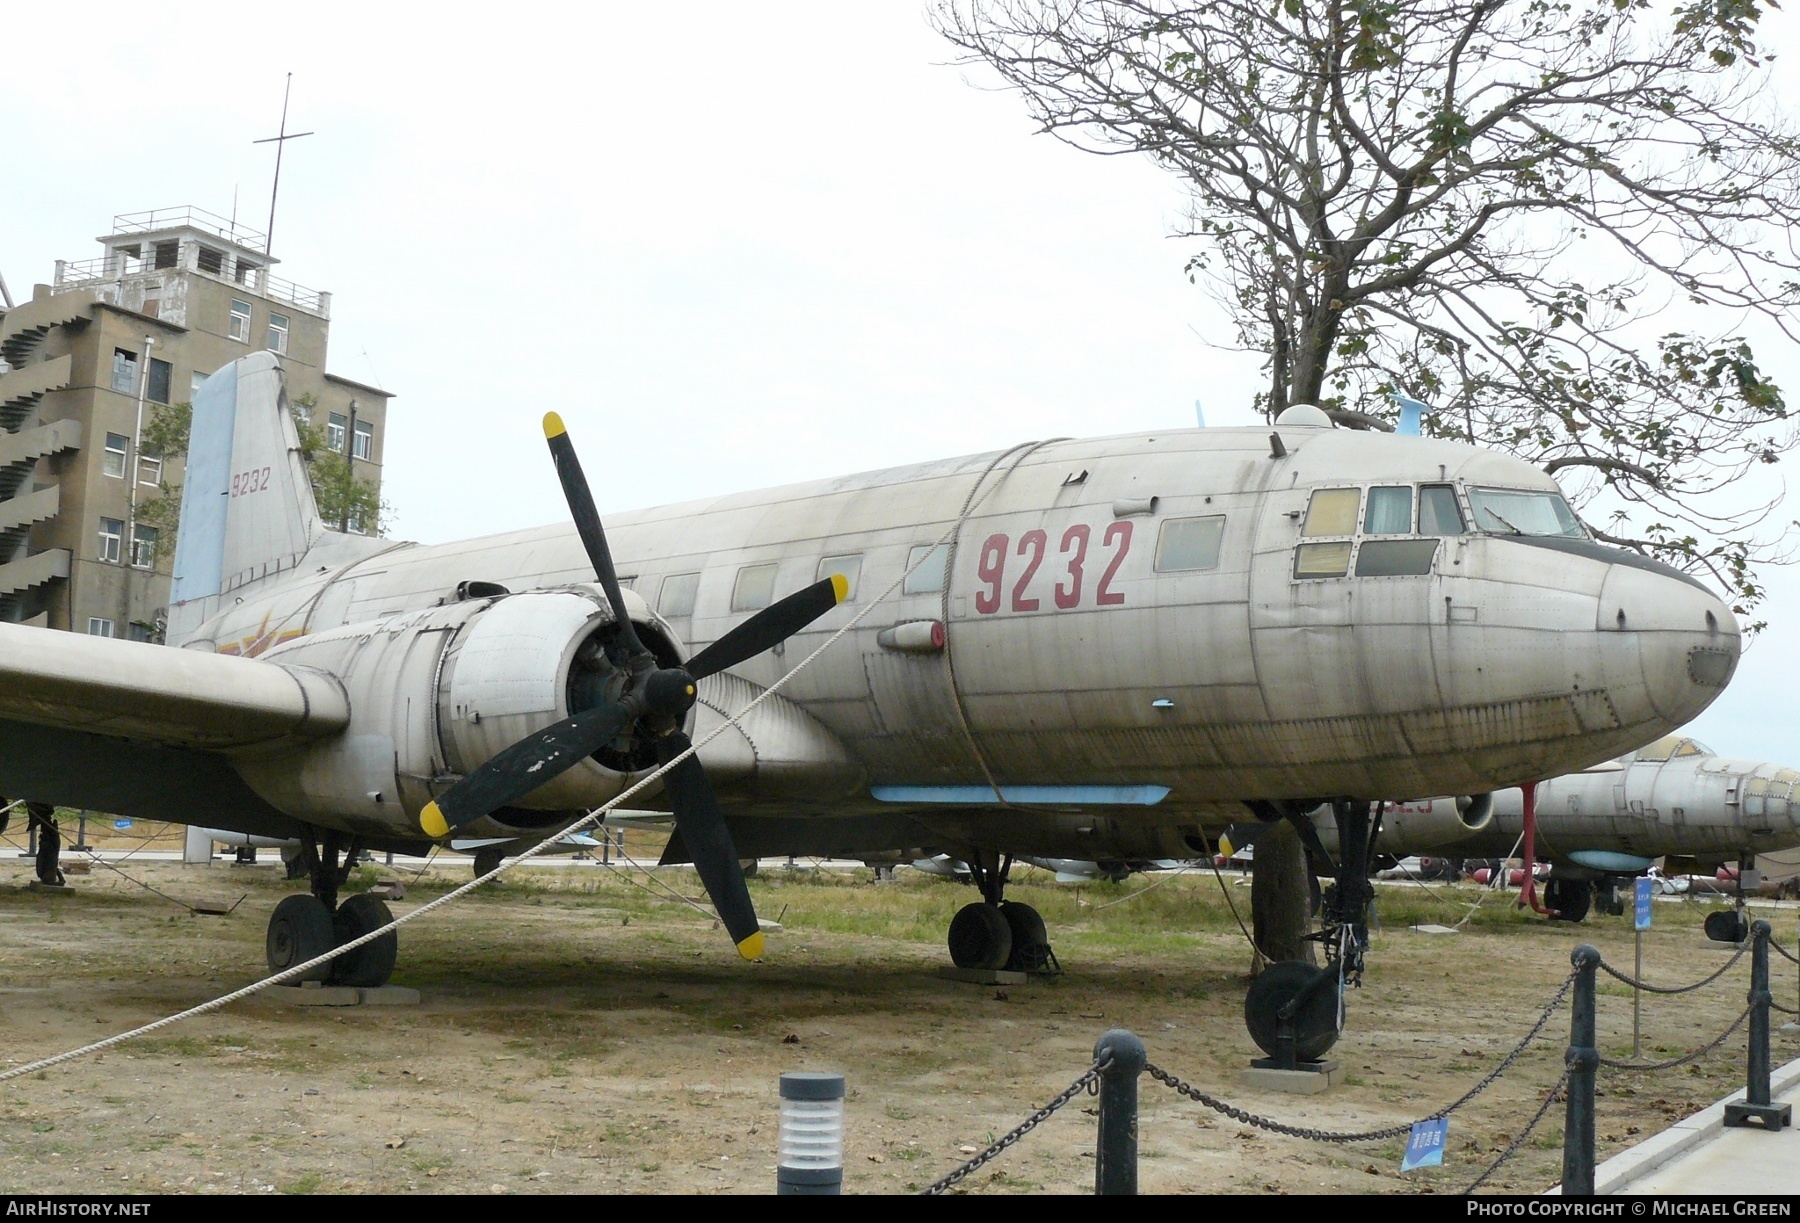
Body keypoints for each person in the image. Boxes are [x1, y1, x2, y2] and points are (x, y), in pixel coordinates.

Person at [1, 798, 64, 885]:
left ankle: (49, 878)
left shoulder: (51, 839)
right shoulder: (51, 838)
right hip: (46, 863)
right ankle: (49, 878)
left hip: (46, 865)